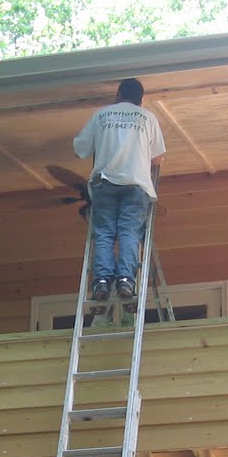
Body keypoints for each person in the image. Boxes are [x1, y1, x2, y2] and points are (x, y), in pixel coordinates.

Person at [73, 78, 166, 301]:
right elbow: (158, 158)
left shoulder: (101, 115)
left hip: (105, 183)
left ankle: (102, 282)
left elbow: (80, 149)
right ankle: (125, 280)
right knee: (129, 232)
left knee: (104, 233)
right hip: (136, 184)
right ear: (140, 99)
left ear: (118, 95)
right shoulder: (148, 117)